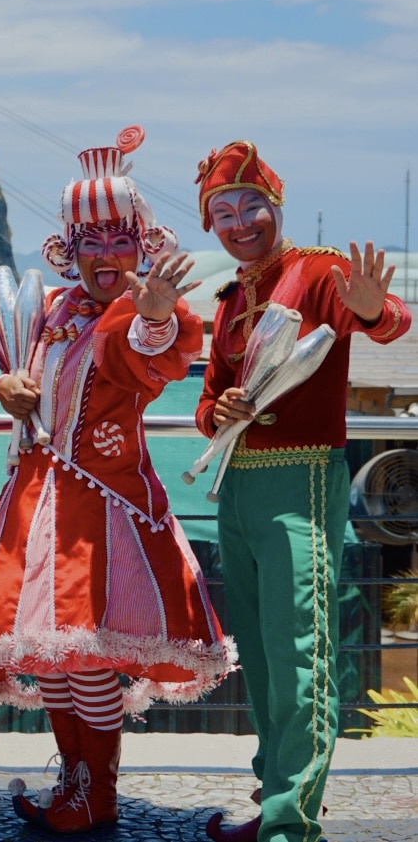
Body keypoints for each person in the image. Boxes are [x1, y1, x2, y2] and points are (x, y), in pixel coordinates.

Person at [0, 128, 238, 835]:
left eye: (117, 238)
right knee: (61, 663)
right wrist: (12, 389)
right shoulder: (61, 311)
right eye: (90, 241)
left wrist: (155, 314)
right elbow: (33, 388)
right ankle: (75, 783)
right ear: (72, 247)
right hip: (41, 503)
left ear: (140, 243)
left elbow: (147, 355)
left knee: (88, 658)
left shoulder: (139, 311)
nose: (105, 255)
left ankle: (97, 793)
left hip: (105, 513)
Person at [195, 141, 410, 842]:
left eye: (251, 205)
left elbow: (387, 320)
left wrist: (376, 310)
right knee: (257, 655)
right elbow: (206, 402)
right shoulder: (228, 301)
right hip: (238, 487)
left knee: (301, 654)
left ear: (275, 206)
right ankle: (271, 800)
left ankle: (291, 824)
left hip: (302, 480)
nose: (239, 221)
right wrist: (218, 411)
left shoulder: (318, 272)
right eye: (222, 212)